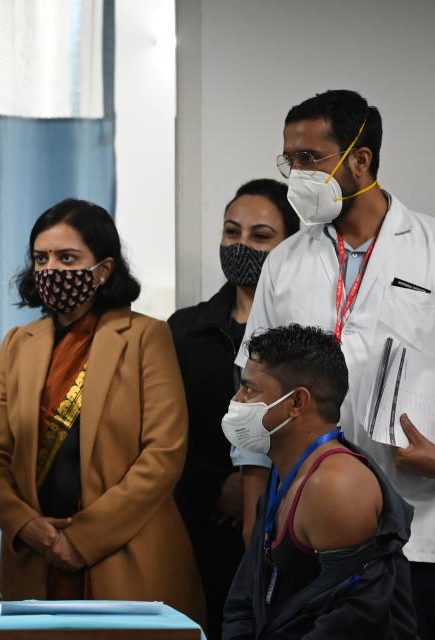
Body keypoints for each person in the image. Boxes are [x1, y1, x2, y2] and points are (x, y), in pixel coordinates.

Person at [235, 89, 435, 637]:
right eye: (289, 160)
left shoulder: (431, 249)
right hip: (306, 520)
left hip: (419, 524)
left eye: (310, 159)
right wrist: (258, 513)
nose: (297, 174)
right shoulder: (284, 261)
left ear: (360, 160)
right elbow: (253, 385)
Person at [0, 199, 205, 621]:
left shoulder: (145, 338)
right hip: (35, 558)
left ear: (104, 269)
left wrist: (82, 539)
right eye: (41, 259)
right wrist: (25, 525)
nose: (51, 270)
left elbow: (163, 454)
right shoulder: (16, 344)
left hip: (127, 554)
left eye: (68, 258)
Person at [222, 324, 417, 639]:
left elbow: (351, 624)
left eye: (250, 389)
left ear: (297, 402)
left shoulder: (336, 487)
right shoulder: (281, 473)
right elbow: (245, 599)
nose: (237, 400)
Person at [169, 178, 298, 639]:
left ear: (291, 244)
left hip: (285, 519)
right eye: (231, 232)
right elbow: (167, 432)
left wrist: (253, 486)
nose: (241, 245)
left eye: (260, 236)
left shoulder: (301, 335)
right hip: (200, 523)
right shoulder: (185, 330)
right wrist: (215, 487)